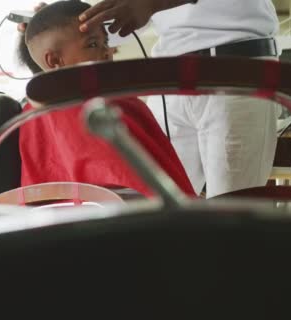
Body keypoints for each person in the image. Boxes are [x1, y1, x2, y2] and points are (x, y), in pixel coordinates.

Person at [77, 0, 281, 198]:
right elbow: (126, 19)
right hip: (169, 83)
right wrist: (69, 25)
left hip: (234, 69)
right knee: (158, 207)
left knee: (232, 210)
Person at [18, 0, 195, 197]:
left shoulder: (34, 111)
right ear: (54, 61)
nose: (106, 51)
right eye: (92, 44)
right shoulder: (103, 107)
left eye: (106, 43)